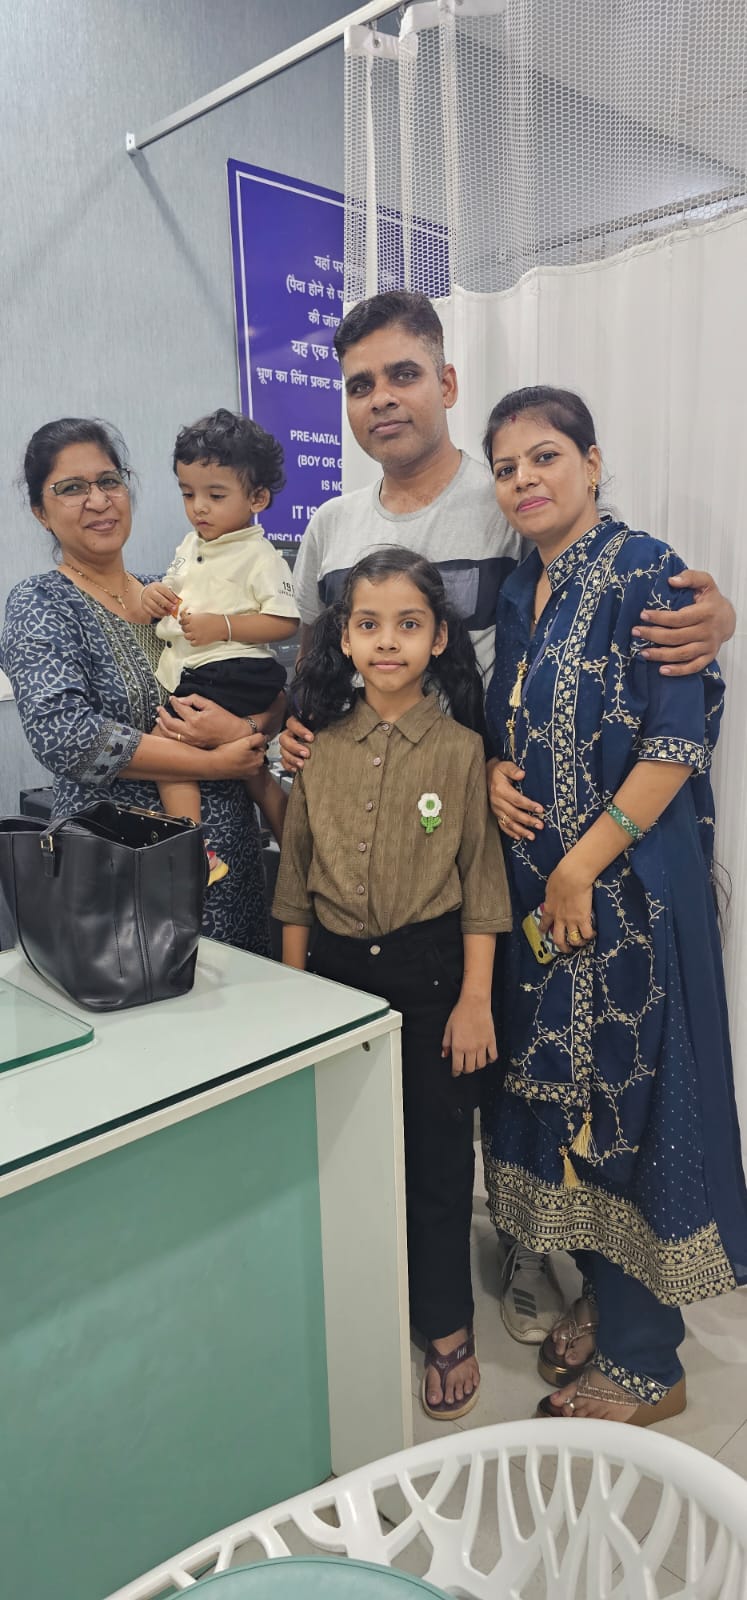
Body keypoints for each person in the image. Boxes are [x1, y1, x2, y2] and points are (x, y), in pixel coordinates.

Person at [279, 288, 739, 1346]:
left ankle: (562, 1272)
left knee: (548, 1064)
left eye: (403, 374)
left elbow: (650, 635)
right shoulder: (338, 529)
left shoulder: (511, 518)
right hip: (462, 846)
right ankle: (516, 1244)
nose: (381, 398)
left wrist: (713, 612)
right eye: (359, 383)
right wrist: (290, 747)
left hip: (539, 851)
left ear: (445, 382)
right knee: (524, 1065)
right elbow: (309, 668)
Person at [482, 384, 747, 1423]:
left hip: (627, 903)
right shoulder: (523, 588)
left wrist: (581, 865)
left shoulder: (645, 568)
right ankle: (608, 1303)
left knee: (631, 1120)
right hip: (545, 907)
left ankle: (649, 1364)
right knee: (563, 1110)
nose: (525, 480)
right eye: (506, 467)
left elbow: (675, 744)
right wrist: (496, 774)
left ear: (592, 464)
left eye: (545, 456)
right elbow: (514, 719)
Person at [273, 547, 512, 1417]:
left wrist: (474, 1000)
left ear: (438, 637)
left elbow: (482, 887)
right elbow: (294, 881)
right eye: (368, 625)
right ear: (342, 636)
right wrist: (295, 998)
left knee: (438, 1162)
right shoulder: (317, 748)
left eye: (407, 625)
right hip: (333, 977)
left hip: (432, 978)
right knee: (342, 1153)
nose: (386, 642)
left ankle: (444, 1324)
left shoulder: (460, 751)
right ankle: (356, 1302)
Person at [1, 417, 281, 956]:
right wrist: (215, 764)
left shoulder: (172, 592)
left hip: (232, 868)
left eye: (109, 481)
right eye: (71, 488)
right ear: (40, 511)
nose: (98, 501)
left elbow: (264, 681)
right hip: (123, 873)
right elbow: (67, 737)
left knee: (246, 997)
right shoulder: (41, 603)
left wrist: (244, 727)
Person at [140, 410, 299, 880]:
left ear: (257, 498)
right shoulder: (190, 545)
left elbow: (285, 621)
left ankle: (195, 849)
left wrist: (223, 626)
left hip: (234, 669)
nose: (199, 508)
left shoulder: (259, 554)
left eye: (215, 495)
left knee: (167, 746)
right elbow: (173, 588)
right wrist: (154, 596)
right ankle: (296, 854)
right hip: (203, 668)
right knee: (250, 770)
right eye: (187, 494)